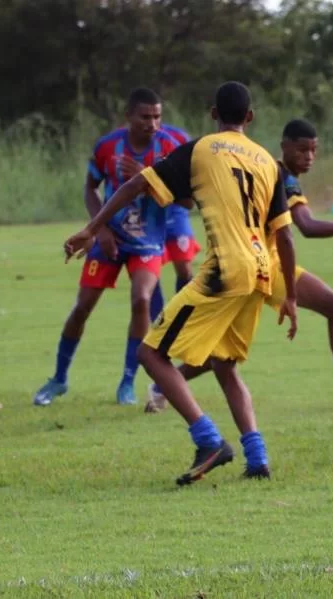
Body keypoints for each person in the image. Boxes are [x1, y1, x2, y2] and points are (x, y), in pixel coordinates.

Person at [64, 81, 298, 485]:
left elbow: (137, 184)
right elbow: (286, 235)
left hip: (225, 267)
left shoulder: (201, 148)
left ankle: (208, 440)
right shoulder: (268, 162)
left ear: (212, 114)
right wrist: (290, 295)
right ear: (250, 117)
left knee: (151, 355)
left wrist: (91, 228)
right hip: (262, 272)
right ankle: (257, 457)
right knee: (224, 365)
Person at [145, 118, 333, 412]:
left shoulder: (287, 178)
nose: (308, 157)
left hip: (271, 264)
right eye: (301, 150)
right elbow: (306, 226)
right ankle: (162, 386)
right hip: (252, 265)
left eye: (313, 150)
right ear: (284, 147)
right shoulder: (273, 172)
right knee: (223, 350)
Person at [33, 88, 182, 407]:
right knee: (82, 306)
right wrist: (98, 229)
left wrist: (147, 179)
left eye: (157, 116)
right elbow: (90, 187)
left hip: (149, 242)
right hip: (109, 239)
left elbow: (186, 198)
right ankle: (58, 379)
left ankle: (127, 383)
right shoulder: (108, 147)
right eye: (145, 116)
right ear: (128, 116)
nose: (153, 123)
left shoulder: (170, 147)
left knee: (142, 299)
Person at [147, 123, 202, 327]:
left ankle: (181, 320)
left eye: (155, 116)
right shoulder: (129, 141)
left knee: (184, 267)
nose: (150, 122)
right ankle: (158, 323)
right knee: (149, 271)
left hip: (176, 210)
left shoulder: (177, 137)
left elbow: (189, 175)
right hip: (149, 215)